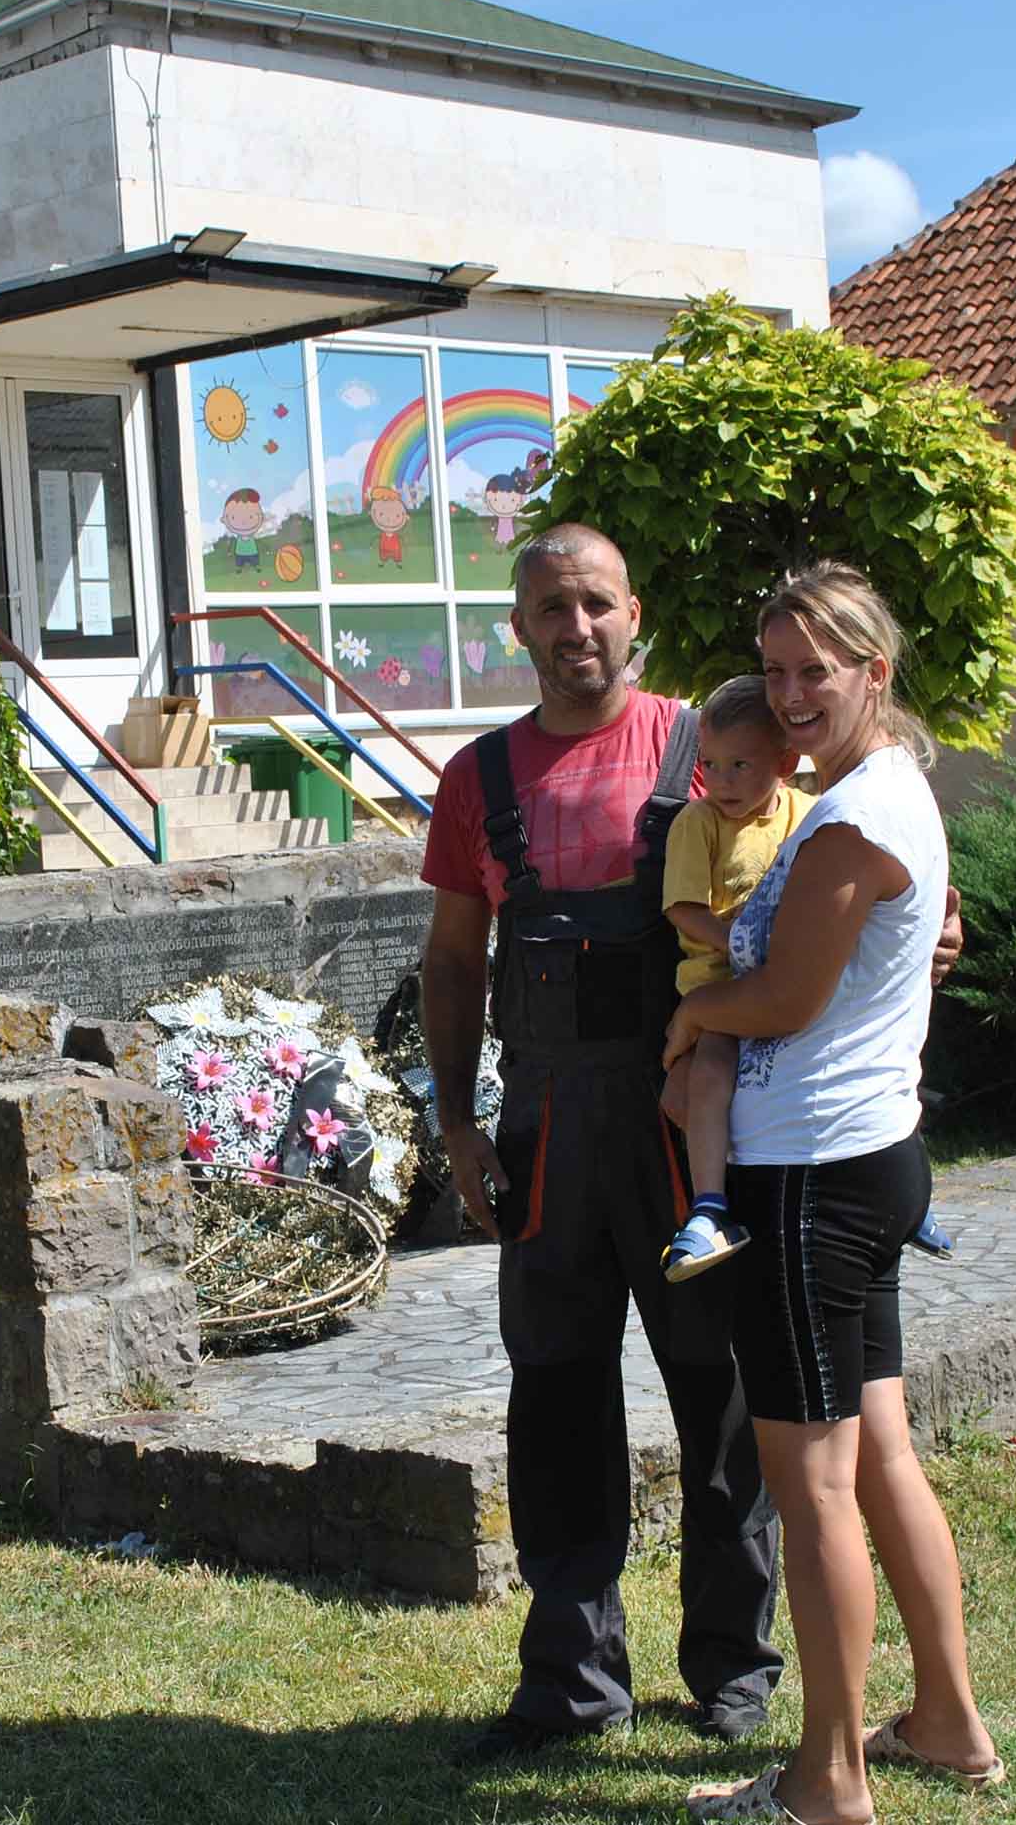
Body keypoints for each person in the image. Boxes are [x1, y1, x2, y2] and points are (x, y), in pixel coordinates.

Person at [419, 523, 785, 1763]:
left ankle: (732, 1668)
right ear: (518, 627)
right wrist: (458, 1121)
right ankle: (573, 1680)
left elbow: (830, 847)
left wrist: (928, 911)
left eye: (596, 604)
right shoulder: (476, 778)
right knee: (557, 1393)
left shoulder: (707, 743)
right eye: (551, 608)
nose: (576, 628)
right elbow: (455, 959)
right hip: (546, 1134)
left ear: (634, 614)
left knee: (716, 1392)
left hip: (685, 1125)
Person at [669, 562, 1003, 1824]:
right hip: (864, 1159)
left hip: (809, 1178)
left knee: (812, 1484)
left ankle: (826, 1779)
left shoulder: (856, 814)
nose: (792, 695)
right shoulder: (881, 789)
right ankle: (947, 1723)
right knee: (880, 1457)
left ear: (876, 670)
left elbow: (785, 998)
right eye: (776, 671)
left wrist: (695, 1017)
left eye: (818, 670)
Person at [660, 674, 814, 1281]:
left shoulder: (809, 814)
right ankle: (709, 1205)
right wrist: (737, 939)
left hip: (791, 981)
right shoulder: (698, 823)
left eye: (739, 765)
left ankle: (904, 1184)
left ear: (785, 763)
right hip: (718, 988)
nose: (719, 781)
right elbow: (683, 907)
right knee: (710, 1072)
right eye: (710, 765)